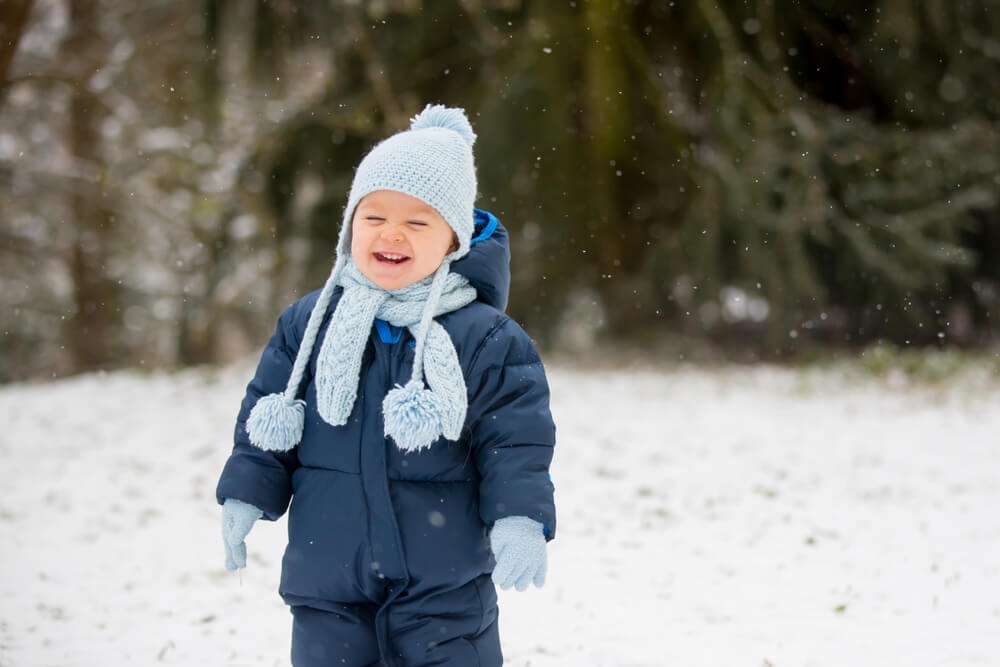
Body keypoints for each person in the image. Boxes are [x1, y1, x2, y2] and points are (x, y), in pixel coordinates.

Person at [215, 104, 557, 666]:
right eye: (373, 218)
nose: (391, 233)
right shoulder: (310, 323)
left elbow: (517, 441)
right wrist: (246, 492)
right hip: (329, 573)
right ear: (351, 225)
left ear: (453, 241)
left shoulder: (487, 336)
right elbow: (266, 419)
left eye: (417, 222)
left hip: (444, 581)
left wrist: (520, 517)